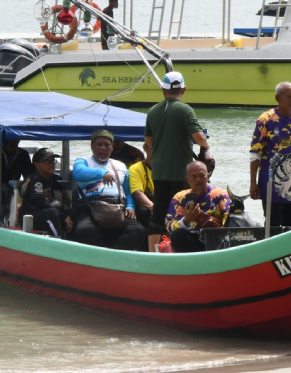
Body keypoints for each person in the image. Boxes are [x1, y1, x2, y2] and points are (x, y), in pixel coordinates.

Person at [144, 71, 211, 249]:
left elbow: (148, 143)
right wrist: (207, 147)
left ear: (162, 91)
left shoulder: (152, 111)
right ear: (184, 89)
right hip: (183, 174)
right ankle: (183, 249)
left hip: (159, 173)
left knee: (158, 213)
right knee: (187, 210)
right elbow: (199, 138)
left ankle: (153, 252)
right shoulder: (185, 110)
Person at [249, 81, 291, 229]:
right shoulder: (265, 120)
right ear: (277, 98)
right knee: (273, 227)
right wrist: (253, 182)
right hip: (271, 185)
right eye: (289, 97)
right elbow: (255, 153)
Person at [70, 129, 147, 250]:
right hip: (91, 208)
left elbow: (128, 190)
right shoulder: (83, 161)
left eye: (107, 145)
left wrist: (130, 206)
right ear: (92, 146)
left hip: (118, 207)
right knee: (83, 230)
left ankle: (114, 253)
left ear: (112, 147)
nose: (103, 148)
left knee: (138, 230)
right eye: (99, 144)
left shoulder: (121, 166)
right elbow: (78, 173)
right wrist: (102, 173)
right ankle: (104, 255)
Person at [163, 161, 234, 252]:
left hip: (216, 239)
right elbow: (169, 226)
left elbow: (229, 217)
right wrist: (186, 220)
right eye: (194, 177)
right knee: (178, 235)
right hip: (192, 240)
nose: (198, 180)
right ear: (187, 179)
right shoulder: (179, 198)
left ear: (208, 177)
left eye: (202, 176)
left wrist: (216, 225)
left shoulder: (219, 194)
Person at [17, 148, 72, 237]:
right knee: (53, 213)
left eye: (53, 161)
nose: (52, 164)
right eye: (47, 161)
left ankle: (73, 241)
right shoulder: (35, 180)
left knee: (70, 211)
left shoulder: (47, 176)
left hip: (42, 212)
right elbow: (40, 203)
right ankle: (58, 241)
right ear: (37, 165)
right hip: (29, 216)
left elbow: (55, 181)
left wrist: (63, 191)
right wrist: (63, 216)